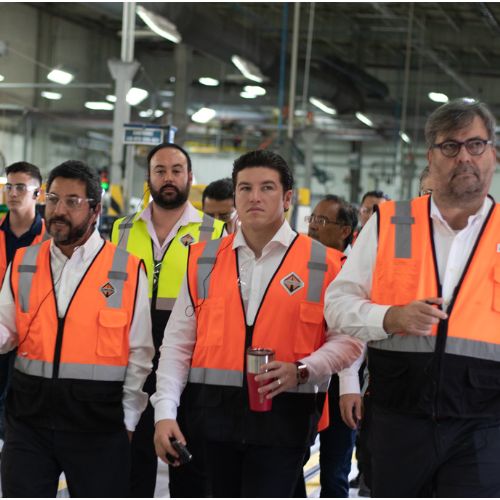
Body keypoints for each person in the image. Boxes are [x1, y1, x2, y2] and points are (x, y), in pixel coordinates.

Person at [152, 149, 363, 497]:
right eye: (244, 188)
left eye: (266, 188)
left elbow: (349, 341)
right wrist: (164, 412)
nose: (254, 197)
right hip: (210, 420)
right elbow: (177, 344)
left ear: (287, 198)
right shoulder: (204, 259)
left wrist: (304, 368)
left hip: (285, 417)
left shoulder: (323, 263)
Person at [325, 98, 500, 497]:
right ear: (430, 156)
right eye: (450, 147)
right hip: (397, 423)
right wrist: (390, 317)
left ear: (493, 153)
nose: (464, 157)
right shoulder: (389, 223)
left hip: (484, 429)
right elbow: (336, 307)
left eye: (475, 145)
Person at [0, 160, 154, 497]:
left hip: (98, 425)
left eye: (72, 202)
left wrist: (129, 419)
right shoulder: (25, 262)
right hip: (29, 420)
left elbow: (140, 352)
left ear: (96, 210)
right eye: (53, 199)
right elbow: (4, 330)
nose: (58, 210)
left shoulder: (125, 269)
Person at [111, 142, 225, 497]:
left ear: (191, 177)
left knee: (190, 465)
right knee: (133, 458)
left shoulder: (216, 233)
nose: (169, 177)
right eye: (160, 170)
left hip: (188, 356)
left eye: (177, 170)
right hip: (133, 352)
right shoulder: (122, 230)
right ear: (149, 178)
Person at [306, 195, 361, 498]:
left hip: (341, 382)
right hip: (305, 377)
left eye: (322, 221)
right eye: (312, 218)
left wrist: (352, 385)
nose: (313, 226)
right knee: (294, 460)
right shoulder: (297, 265)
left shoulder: (355, 272)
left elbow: (356, 335)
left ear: (344, 231)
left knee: (336, 467)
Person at [0, 161, 45, 444]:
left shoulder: (51, 240)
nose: (13, 193)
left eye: (20, 187)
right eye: (9, 186)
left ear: (37, 194)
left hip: (33, 337)